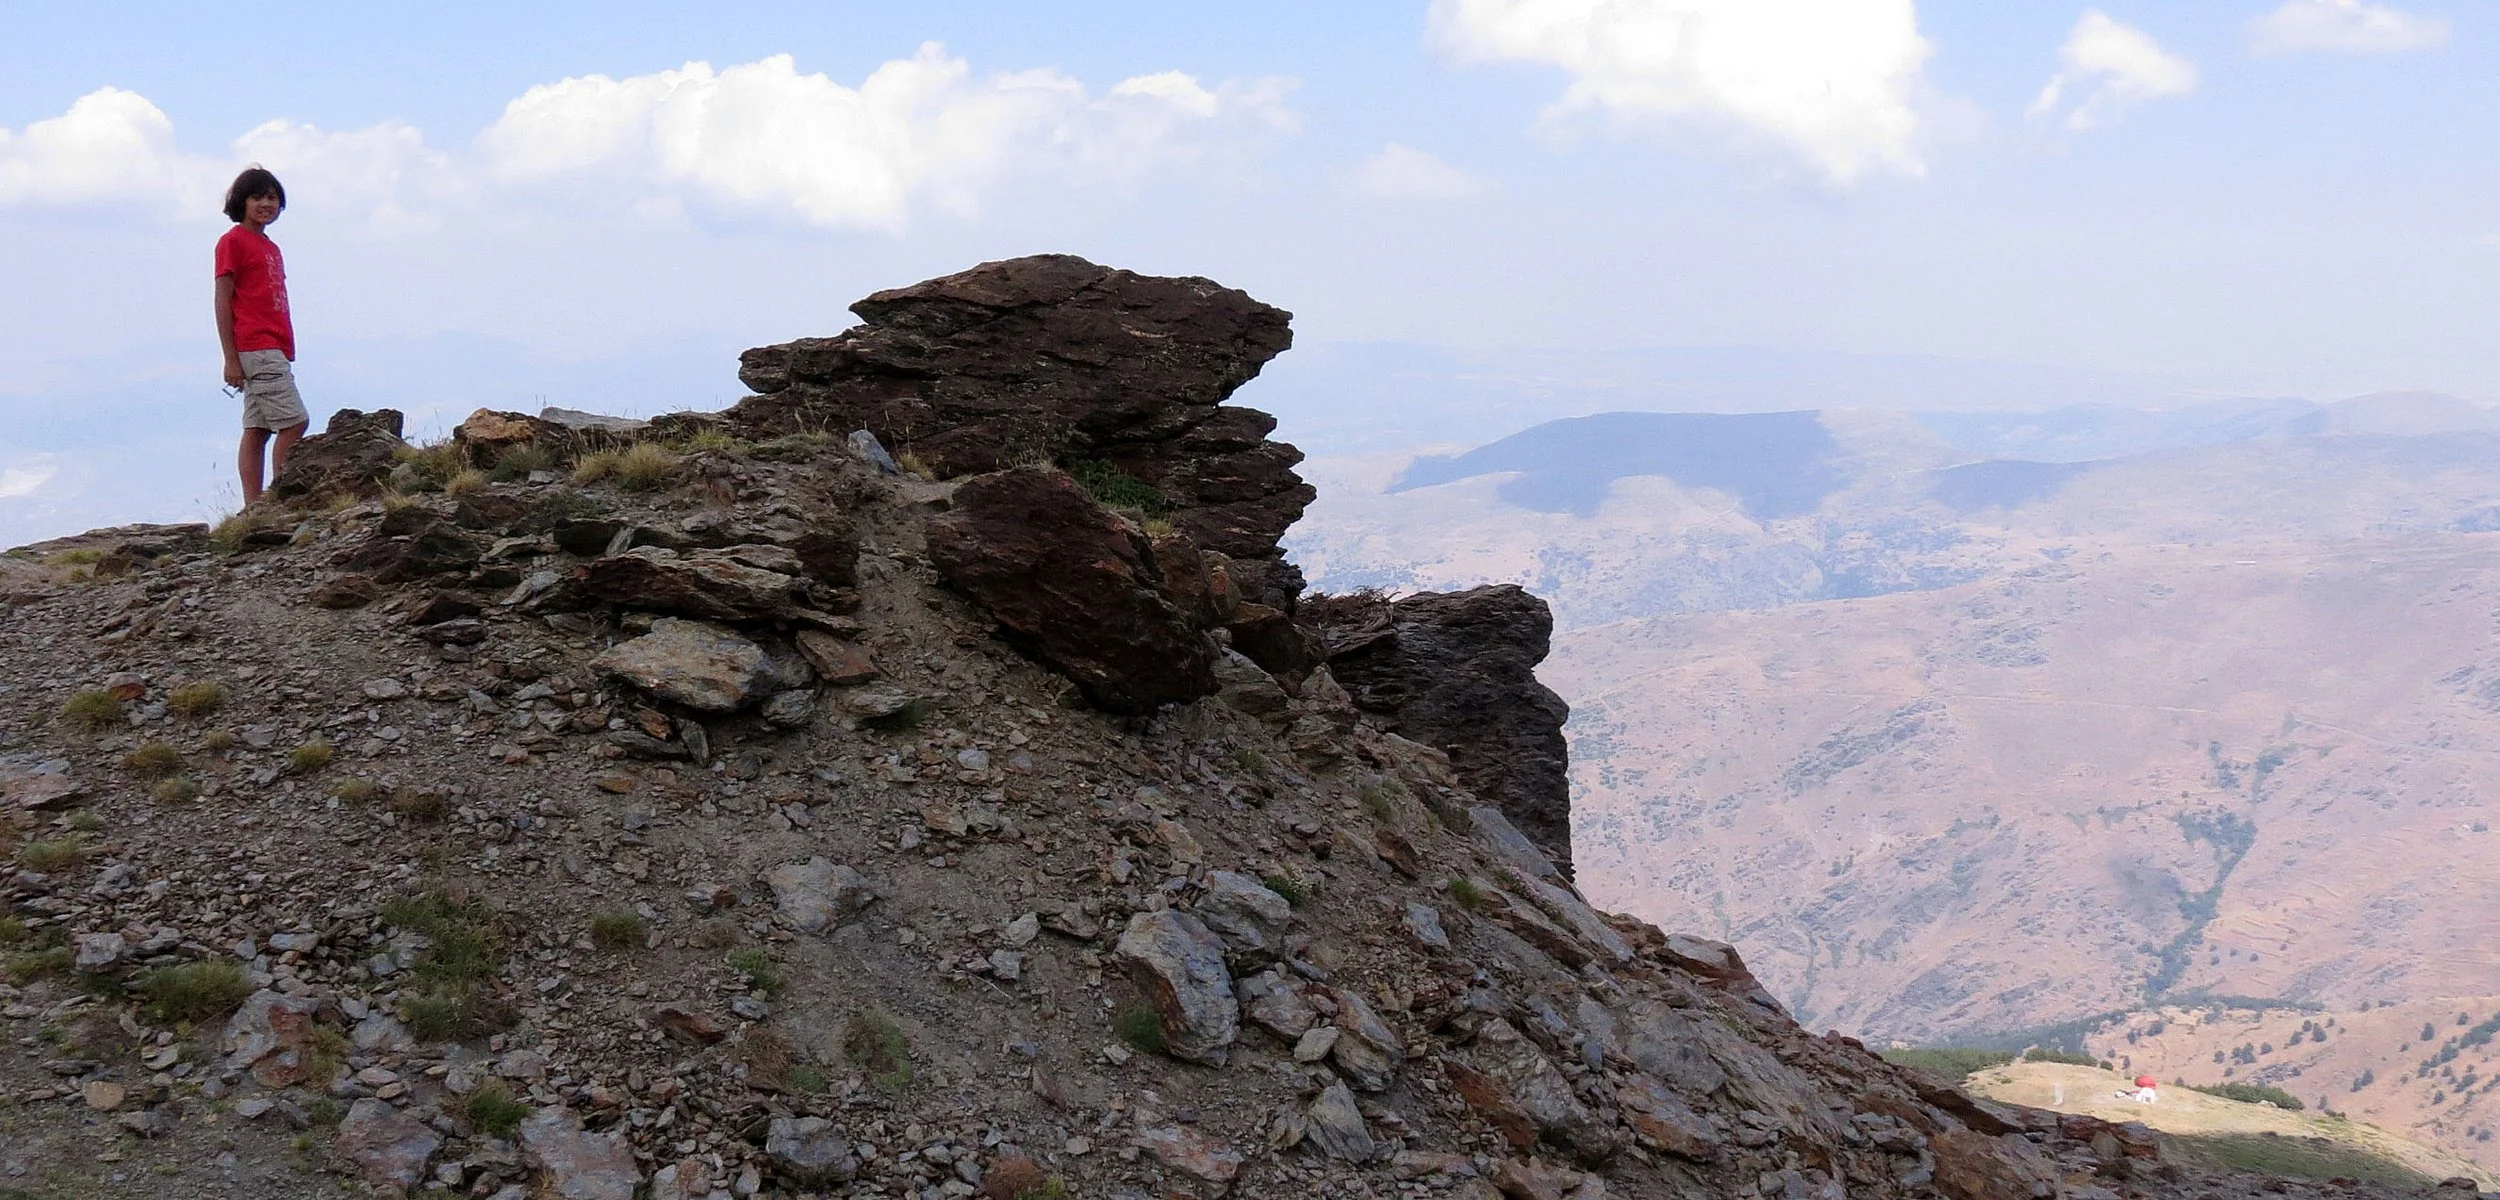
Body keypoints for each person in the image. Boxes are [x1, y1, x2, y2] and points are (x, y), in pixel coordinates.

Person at [214, 166, 308, 505]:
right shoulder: (233, 241)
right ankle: (281, 499)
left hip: (273, 346)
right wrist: (230, 357)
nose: (265, 204)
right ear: (241, 201)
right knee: (295, 422)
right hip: (258, 346)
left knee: (258, 429)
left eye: (272, 197)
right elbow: (223, 298)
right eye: (257, 197)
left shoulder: (269, 246)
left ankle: (254, 507)